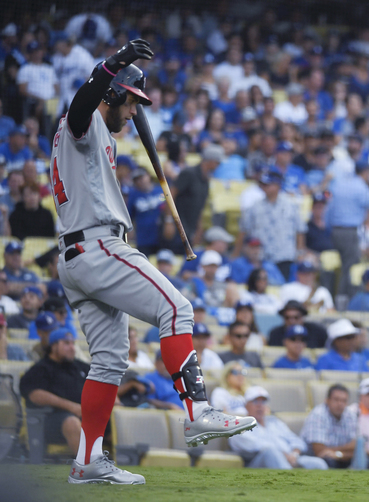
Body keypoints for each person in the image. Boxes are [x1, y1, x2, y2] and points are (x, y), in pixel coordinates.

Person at [49, 39, 255, 484]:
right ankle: (198, 410)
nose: (134, 112)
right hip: (96, 245)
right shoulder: (79, 123)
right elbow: (83, 101)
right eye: (131, 101)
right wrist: (116, 62)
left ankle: (87, 461)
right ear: (114, 93)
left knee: (108, 361)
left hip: (79, 253)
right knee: (176, 308)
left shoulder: (99, 135)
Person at [326, 161, 369, 298]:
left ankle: (337, 296)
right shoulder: (359, 187)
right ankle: (342, 299)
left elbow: (329, 210)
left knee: (342, 265)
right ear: (365, 172)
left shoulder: (339, 184)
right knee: (349, 267)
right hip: (349, 231)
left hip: (335, 230)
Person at [19, 329, 88, 457]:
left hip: (86, 416)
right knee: (72, 422)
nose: (72, 348)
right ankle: (89, 469)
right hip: (51, 420)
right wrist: (72, 407)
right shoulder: (41, 368)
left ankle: (123, 467)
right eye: (66, 343)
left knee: (112, 420)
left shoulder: (81, 367)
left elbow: (102, 385)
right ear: (53, 346)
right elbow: (35, 395)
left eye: (73, 343)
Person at [229, 386, 328, 470]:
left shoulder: (275, 422)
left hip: (291, 459)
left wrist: (294, 454)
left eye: (263, 402)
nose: (260, 405)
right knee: (271, 452)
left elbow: (297, 441)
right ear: (246, 405)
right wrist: (283, 455)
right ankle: (291, 484)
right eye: (255, 401)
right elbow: (257, 446)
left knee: (319, 464)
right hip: (259, 465)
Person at [237, 167, 307, 281]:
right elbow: (243, 231)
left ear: (278, 185)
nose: (264, 187)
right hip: (262, 258)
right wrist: (237, 253)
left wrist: (300, 252)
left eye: (268, 184)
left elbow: (300, 231)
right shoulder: (254, 207)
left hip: (285, 256)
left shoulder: (290, 205)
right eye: (263, 184)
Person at [172, 144, 224, 244]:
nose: (219, 165)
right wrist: (168, 220)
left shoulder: (206, 180)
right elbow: (171, 194)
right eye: (218, 162)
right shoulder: (189, 173)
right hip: (177, 225)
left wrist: (199, 229)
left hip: (190, 227)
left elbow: (199, 206)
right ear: (210, 160)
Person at [301, 384, 357, 468]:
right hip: (313, 460)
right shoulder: (318, 415)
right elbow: (320, 452)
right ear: (327, 400)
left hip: (340, 457)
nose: (340, 404)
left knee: (362, 459)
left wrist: (337, 454)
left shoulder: (350, 415)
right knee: (328, 461)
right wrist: (346, 450)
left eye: (344, 401)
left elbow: (355, 447)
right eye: (336, 399)